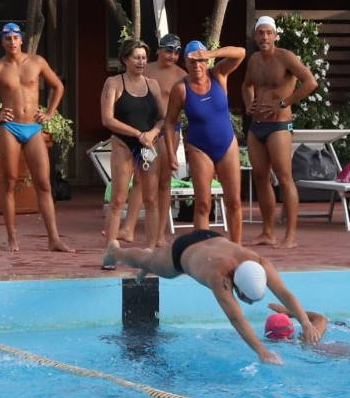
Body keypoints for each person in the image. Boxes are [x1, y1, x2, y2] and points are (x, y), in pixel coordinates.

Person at [103, 230, 320, 364]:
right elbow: (236, 318)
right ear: (236, 286)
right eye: (247, 299)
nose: (248, 303)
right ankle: (115, 252)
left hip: (211, 238)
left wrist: (306, 323)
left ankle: (148, 263)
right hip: (182, 253)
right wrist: (262, 351)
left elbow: (285, 293)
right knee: (148, 261)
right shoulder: (220, 277)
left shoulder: (259, 263)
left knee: (151, 262)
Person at [0, 22, 74, 253]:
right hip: (10, 128)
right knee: (9, 182)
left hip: (33, 128)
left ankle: (54, 239)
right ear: (2, 42)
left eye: (15, 37)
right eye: (8, 38)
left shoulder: (37, 62)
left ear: (22, 40)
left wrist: (50, 112)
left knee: (44, 184)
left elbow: (58, 86)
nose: (12, 42)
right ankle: (12, 239)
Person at [241, 15, 318, 249]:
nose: (264, 37)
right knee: (260, 177)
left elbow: (310, 82)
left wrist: (283, 104)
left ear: (275, 35)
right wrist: (248, 104)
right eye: (260, 33)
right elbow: (246, 85)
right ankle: (268, 232)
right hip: (257, 126)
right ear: (255, 36)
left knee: (284, 178)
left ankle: (291, 236)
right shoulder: (254, 60)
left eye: (268, 33)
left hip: (280, 126)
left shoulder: (285, 57)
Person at [164, 40, 246, 244]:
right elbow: (170, 122)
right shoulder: (180, 88)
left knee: (234, 201)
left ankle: (236, 247)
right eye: (192, 62)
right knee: (202, 203)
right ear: (185, 63)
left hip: (226, 144)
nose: (197, 66)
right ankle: (201, 249)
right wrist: (171, 154)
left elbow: (241, 52)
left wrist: (210, 53)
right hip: (199, 147)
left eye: (200, 61)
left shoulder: (218, 75)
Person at [99, 38, 165, 262]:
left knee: (151, 199)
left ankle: (151, 252)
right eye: (136, 58)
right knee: (118, 199)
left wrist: (153, 133)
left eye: (144, 58)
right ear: (125, 59)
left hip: (147, 145)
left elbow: (163, 118)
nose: (141, 62)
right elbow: (107, 119)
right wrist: (137, 133)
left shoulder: (152, 84)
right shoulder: (114, 83)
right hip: (124, 143)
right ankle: (111, 251)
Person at [119, 34, 187, 246]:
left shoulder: (182, 76)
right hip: (146, 131)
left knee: (164, 182)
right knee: (140, 178)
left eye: (176, 52)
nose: (172, 55)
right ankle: (128, 229)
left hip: (168, 131)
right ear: (158, 50)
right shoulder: (145, 69)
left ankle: (159, 235)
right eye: (168, 50)